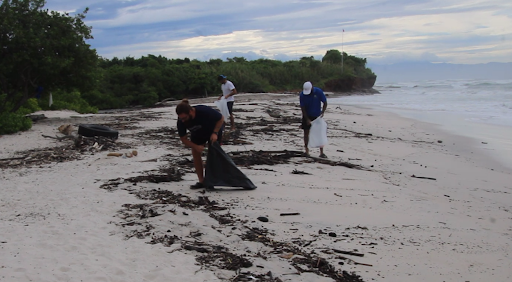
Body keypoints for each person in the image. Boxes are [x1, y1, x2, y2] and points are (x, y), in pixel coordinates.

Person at [176, 99, 224, 189]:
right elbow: (183, 139)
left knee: (213, 154)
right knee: (195, 153)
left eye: (184, 118)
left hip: (213, 131)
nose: (183, 121)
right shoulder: (181, 122)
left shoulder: (203, 111)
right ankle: (202, 181)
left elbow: (221, 118)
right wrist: (196, 146)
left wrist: (215, 133)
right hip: (197, 134)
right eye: (181, 118)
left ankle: (212, 179)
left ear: (191, 111)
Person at [299, 81, 328, 158]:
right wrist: (307, 119)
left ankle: (321, 152)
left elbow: (325, 102)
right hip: (307, 115)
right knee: (306, 132)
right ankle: (306, 151)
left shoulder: (318, 92)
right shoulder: (302, 95)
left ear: (312, 88)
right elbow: (303, 108)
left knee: (319, 133)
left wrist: (322, 112)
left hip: (317, 115)